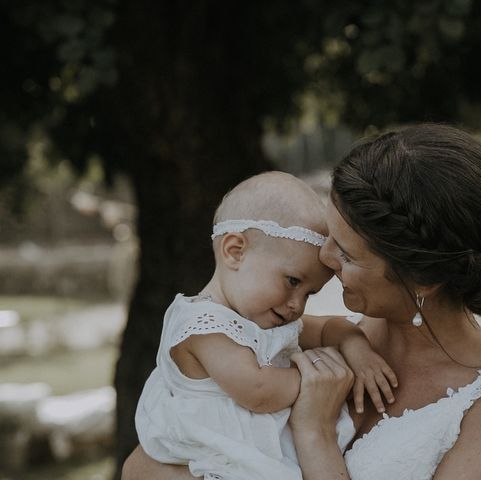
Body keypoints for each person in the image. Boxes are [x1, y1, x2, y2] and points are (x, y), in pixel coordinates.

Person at [123, 123, 481, 480]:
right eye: (329, 237)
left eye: (346, 253)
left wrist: (315, 433)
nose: (324, 258)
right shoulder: (307, 339)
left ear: (422, 278)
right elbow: (141, 469)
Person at [133, 172, 395, 480]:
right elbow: (257, 390)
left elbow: (327, 328)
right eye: (292, 281)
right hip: (224, 460)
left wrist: (357, 349)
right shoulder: (204, 327)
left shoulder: (265, 319)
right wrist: (321, 381)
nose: (297, 304)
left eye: (309, 293)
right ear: (235, 251)